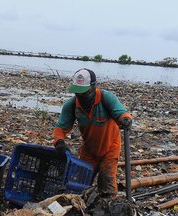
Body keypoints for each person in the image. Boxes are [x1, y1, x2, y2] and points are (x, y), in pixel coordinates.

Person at [53, 68, 132, 196]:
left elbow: (121, 113)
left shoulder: (106, 98)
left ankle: (108, 207)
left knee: (107, 183)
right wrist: (59, 142)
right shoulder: (72, 105)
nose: (81, 96)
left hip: (110, 149)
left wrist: (125, 120)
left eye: (84, 92)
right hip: (89, 151)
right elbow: (60, 128)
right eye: (77, 93)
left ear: (94, 87)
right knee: (81, 185)